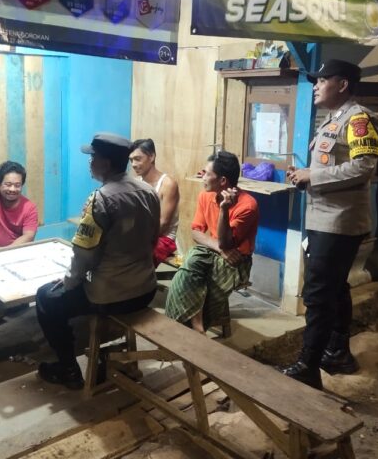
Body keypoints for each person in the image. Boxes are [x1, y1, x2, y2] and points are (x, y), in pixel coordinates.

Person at [283, 59, 378, 389]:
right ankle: (337, 352)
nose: (316, 86)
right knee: (335, 288)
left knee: (318, 293)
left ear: (342, 84)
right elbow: (329, 166)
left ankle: (308, 365)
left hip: (339, 223)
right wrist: (304, 176)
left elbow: (364, 167)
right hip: (323, 219)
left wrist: (313, 176)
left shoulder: (358, 119)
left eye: (322, 80)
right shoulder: (332, 119)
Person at [35, 133, 160, 389]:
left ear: (106, 163)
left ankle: (68, 369)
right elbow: (152, 238)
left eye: (93, 157)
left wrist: (69, 282)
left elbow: (84, 254)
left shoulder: (101, 199)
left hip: (111, 295)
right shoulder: (149, 192)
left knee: (47, 297)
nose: (90, 162)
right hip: (146, 290)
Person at [165, 151, 258, 334]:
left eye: (207, 173)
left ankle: (190, 326)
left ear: (222, 181)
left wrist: (224, 210)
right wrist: (218, 248)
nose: (203, 177)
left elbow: (226, 243)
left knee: (199, 278)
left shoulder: (248, 206)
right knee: (191, 264)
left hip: (236, 260)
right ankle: (197, 326)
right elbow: (196, 232)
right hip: (216, 251)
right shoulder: (205, 196)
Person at [129, 138, 180, 265]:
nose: (133, 164)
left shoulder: (168, 184)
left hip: (163, 239)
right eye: (131, 160)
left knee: (134, 257)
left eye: (137, 159)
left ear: (151, 157)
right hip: (142, 236)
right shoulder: (137, 183)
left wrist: (138, 239)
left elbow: (163, 223)